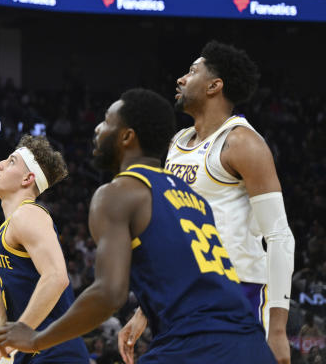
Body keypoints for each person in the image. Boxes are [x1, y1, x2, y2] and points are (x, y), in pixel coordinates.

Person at [0, 89, 276, 364]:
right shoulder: (193, 198)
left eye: (106, 121)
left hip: (195, 346)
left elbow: (109, 294)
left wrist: (36, 339)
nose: (97, 128)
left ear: (127, 137)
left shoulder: (118, 193)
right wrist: (144, 313)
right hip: (252, 345)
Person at [120, 42, 293, 364]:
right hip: (183, 297)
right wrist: (145, 309)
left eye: (192, 72)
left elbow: (280, 236)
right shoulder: (177, 143)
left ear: (215, 86)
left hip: (237, 291)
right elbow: (175, 234)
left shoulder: (242, 142)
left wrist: (278, 329)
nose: (181, 80)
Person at [0, 136, 88, 364]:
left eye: (11, 161)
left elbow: (56, 277)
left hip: (57, 351)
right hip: (33, 353)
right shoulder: (6, 231)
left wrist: (16, 335)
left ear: (28, 178)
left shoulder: (29, 214)